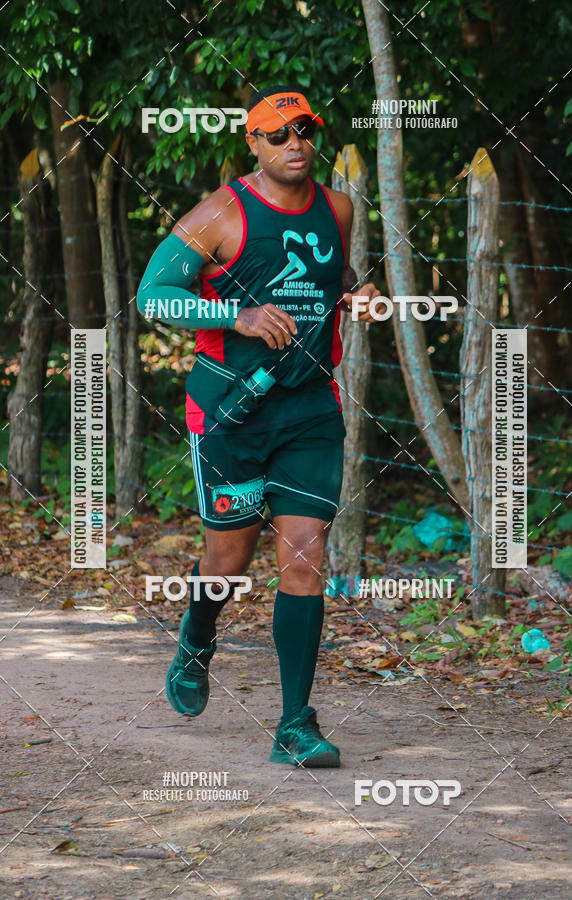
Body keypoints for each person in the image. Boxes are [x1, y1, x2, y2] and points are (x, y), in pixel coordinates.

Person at [137, 84, 381, 768]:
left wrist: (356, 293)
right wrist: (234, 316)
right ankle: (197, 635)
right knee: (228, 561)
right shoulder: (221, 212)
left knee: (305, 556)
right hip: (230, 414)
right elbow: (153, 292)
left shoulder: (339, 207)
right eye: (279, 134)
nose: (295, 144)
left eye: (305, 131)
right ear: (253, 142)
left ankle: (295, 725)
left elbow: (335, 271)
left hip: (308, 410)